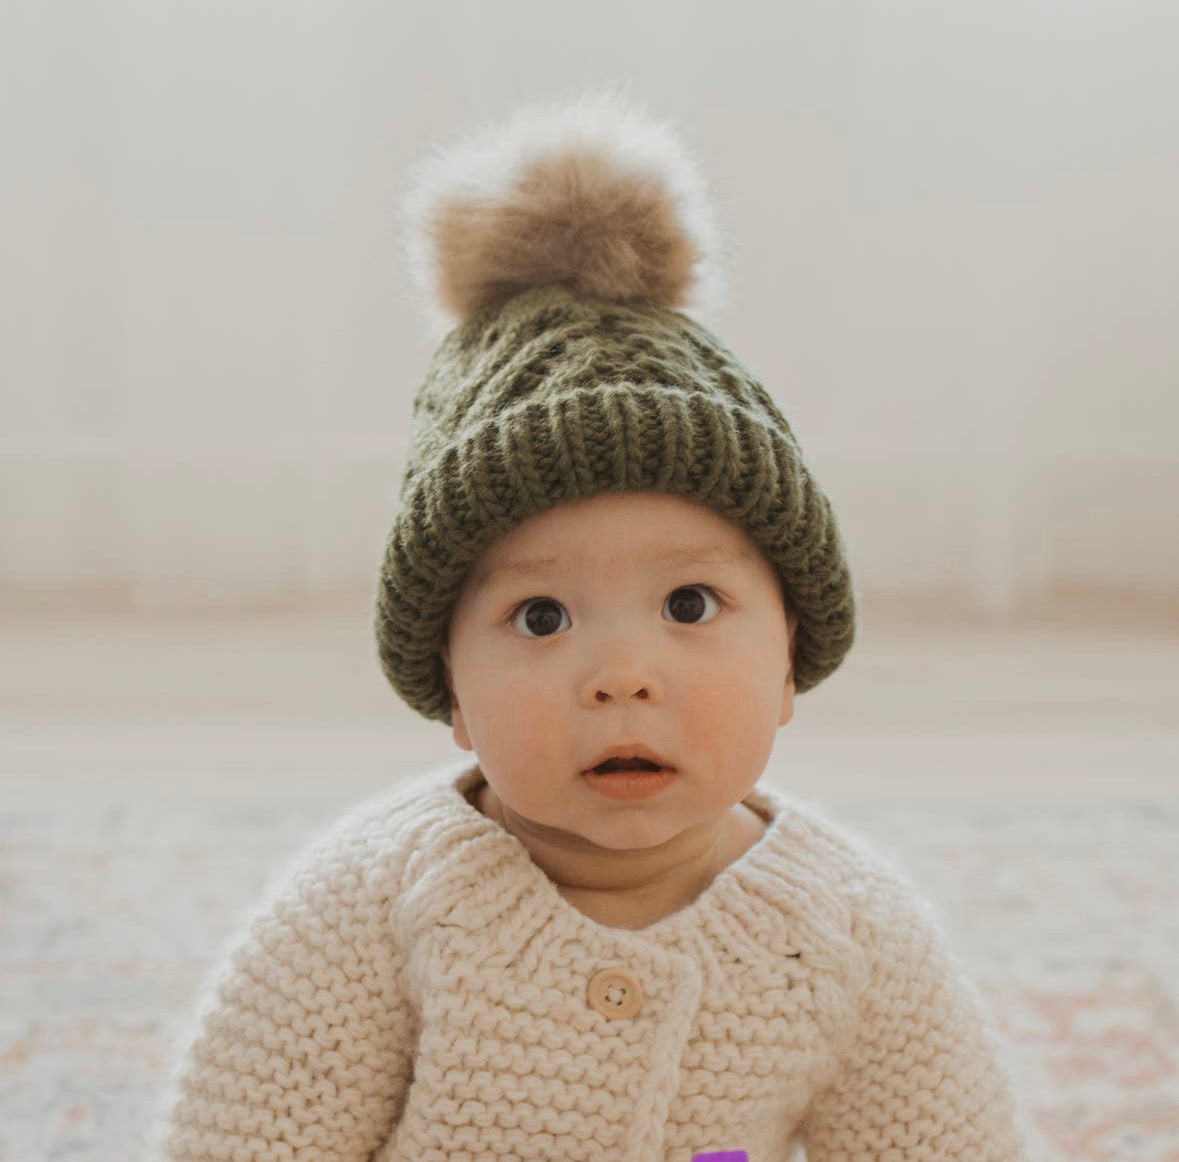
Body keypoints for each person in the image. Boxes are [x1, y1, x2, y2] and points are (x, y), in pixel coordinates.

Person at [153, 88, 1027, 1162]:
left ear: (792, 659)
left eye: (690, 605)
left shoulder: (850, 934)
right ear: (452, 693)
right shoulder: (372, 907)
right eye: (540, 615)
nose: (620, 673)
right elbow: (243, 1137)